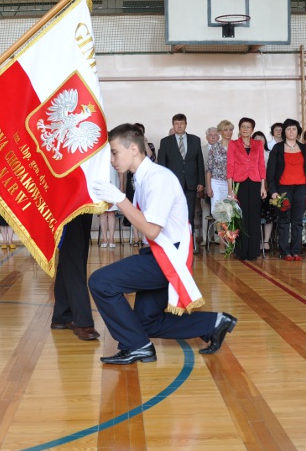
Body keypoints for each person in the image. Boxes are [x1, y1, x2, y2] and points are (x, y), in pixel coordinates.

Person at [88, 123, 237, 364]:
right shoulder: (144, 177)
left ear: (133, 149)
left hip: (166, 257)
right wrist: (113, 202)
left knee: (100, 281)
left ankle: (137, 347)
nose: (111, 159)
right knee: (147, 322)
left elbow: (151, 230)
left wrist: (120, 199)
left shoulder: (159, 178)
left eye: (114, 152)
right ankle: (214, 323)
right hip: (157, 253)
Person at [267, 118, 306, 261]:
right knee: (284, 220)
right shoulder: (277, 148)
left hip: (301, 188)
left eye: (294, 129)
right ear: (284, 132)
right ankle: (285, 251)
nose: (291, 131)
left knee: (297, 220)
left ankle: (296, 250)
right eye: (288, 129)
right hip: (283, 189)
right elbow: (270, 172)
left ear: (298, 131)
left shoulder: (304, 148)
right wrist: (273, 191)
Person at [51, 213, 100, 341]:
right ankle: (83, 322)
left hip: (82, 201)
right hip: (66, 202)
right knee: (74, 254)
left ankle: (62, 315)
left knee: (75, 255)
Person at [158, 113, 205, 241]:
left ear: (186, 124)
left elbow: (199, 162)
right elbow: (162, 165)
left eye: (181, 123)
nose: (179, 126)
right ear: (173, 125)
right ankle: (174, 239)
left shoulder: (195, 140)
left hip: (191, 183)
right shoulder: (165, 142)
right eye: (176, 124)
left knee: (189, 212)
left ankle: (189, 241)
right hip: (172, 184)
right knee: (173, 212)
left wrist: (201, 181)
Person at [226, 117, 267, 260]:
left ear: (252, 130)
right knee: (242, 217)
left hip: (255, 182)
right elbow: (230, 166)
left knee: (254, 217)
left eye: (248, 127)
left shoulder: (258, 144)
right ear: (239, 128)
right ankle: (242, 251)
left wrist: (263, 186)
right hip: (239, 183)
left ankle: (253, 251)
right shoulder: (233, 144)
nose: (245, 129)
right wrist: (230, 188)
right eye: (243, 126)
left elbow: (261, 165)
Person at [253, 131, 276, 251]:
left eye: (261, 138)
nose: (258, 140)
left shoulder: (269, 154)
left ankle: (266, 241)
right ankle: (256, 240)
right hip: (253, 187)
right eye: (256, 138)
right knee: (254, 215)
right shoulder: (250, 154)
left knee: (268, 216)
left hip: (267, 187)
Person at [200, 126, 219, 246]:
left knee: (219, 212)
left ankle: (218, 237)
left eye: (215, 135)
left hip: (219, 185)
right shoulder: (201, 149)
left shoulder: (223, 149)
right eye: (210, 135)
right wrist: (202, 186)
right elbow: (200, 169)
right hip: (205, 185)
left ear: (219, 136)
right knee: (205, 212)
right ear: (207, 137)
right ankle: (205, 238)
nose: (213, 137)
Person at [99, 165, 121, 248]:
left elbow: (120, 172)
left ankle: (111, 238)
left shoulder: (114, 153)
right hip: (101, 184)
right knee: (103, 212)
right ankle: (104, 238)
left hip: (114, 183)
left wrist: (121, 186)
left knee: (111, 213)